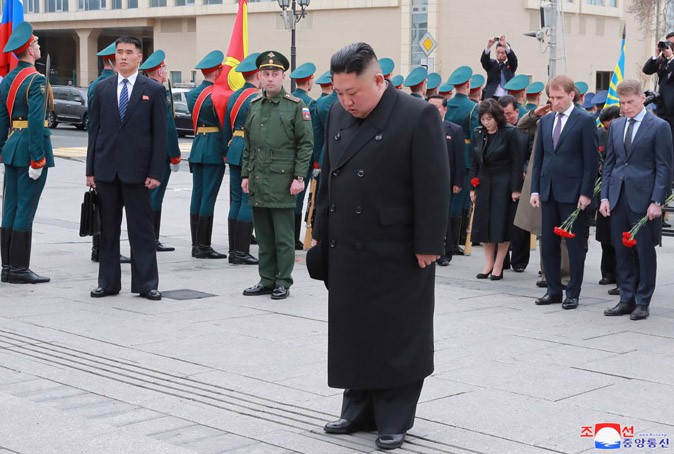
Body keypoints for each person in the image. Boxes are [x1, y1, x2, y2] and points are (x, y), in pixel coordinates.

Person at [311, 42, 449, 452]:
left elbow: (434, 184)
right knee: (353, 331)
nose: (346, 101)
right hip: (348, 246)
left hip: (397, 247)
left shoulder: (416, 114)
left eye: (353, 92)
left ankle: (394, 415)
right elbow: (328, 178)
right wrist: (320, 233)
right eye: (339, 92)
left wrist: (429, 242)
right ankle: (357, 407)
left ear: (378, 79)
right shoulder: (336, 112)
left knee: (397, 333)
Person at [86, 36, 166, 301]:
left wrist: (156, 172)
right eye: (119, 52)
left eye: (128, 52)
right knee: (108, 230)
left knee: (141, 231)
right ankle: (108, 283)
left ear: (139, 57)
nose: (122, 57)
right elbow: (94, 132)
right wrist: (90, 170)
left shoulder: (152, 90)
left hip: (139, 173)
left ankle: (146, 284)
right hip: (106, 171)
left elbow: (159, 135)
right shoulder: (102, 88)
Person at [241, 50, 313, 300]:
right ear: (259, 77)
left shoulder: (296, 106)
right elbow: (249, 143)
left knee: (283, 236)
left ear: (284, 77)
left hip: (283, 180)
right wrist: (245, 174)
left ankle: (283, 280)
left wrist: (299, 177)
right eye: (266, 74)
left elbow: (305, 144)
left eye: (275, 74)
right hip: (259, 178)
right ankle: (266, 279)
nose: (270, 78)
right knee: (263, 234)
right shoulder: (254, 106)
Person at [600, 80, 673, 320]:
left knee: (643, 251)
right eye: (622, 103)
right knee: (620, 250)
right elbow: (609, 164)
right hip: (618, 196)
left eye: (630, 102)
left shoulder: (659, 126)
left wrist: (656, 201)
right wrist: (605, 197)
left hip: (644, 199)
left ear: (642, 98)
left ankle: (643, 301)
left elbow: (664, 167)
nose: (625, 107)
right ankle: (626, 299)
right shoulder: (617, 126)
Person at [530, 75, 598, 310]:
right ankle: (553, 289)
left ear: (571, 95)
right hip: (548, 190)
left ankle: (573, 292)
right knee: (548, 243)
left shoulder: (585, 120)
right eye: (551, 98)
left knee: (575, 245)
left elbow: (591, 161)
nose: (555, 102)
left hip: (573, 193)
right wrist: (535, 189)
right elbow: (539, 158)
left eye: (559, 97)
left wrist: (586, 193)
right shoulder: (546, 121)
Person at [0, 22, 54, 284]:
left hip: (12, 147)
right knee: (25, 208)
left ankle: (8, 267)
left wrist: (2, 149)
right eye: (36, 43)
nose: (39, 46)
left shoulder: (8, 79)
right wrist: (38, 157)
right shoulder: (36, 79)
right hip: (29, 149)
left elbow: (2, 119)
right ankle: (20, 269)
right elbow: (35, 121)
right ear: (29, 50)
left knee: (9, 207)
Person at [87, 42, 131, 264]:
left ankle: (98, 248)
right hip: (111, 156)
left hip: (102, 155)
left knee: (104, 209)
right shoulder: (105, 85)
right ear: (113, 61)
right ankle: (100, 249)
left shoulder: (96, 84)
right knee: (110, 211)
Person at [469, 99, 523, 280]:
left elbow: (517, 162)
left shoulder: (510, 132)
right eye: (483, 119)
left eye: (489, 119)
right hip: (484, 183)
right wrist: (473, 186)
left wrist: (516, 188)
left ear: (497, 117)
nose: (486, 123)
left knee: (502, 223)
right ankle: (488, 263)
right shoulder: (478, 133)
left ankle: (499, 264)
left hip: (504, 183)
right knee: (484, 224)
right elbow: (474, 162)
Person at [187, 50, 228, 259]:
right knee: (208, 198)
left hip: (198, 145)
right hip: (213, 148)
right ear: (219, 70)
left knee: (197, 195)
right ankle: (203, 246)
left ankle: (196, 244)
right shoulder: (218, 95)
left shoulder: (192, 94)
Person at [139, 50, 182, 253]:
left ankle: (148, 238)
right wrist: (175, 155)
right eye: (164, 68)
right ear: (158, 71)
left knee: (147, 197)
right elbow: (168, 128)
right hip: (160, 153)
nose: (166, 71)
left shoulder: (142, 89)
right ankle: (151, 239)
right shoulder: (159, 92)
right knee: (155, 198)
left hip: (144, 151)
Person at [224, 52, 260, 265]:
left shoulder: (234, 96)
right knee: (247, 199)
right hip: (248, 147)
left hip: (234, 146)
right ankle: (241, 251)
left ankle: (234, 251)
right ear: (257, 74)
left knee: (236, 199)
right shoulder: (256, 97)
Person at [427, 95, 465, 266]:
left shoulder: (454, 130)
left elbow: (459, 158)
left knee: (444, 216)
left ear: (444, 109)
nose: (434, 110)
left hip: (446, 180)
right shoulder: (420, 127)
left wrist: (458, 182)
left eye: (437, 107)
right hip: (425, 180)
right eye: (430, 107)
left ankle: (445, 252)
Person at [445, 66, 479, 255]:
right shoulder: (473, 107)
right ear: (468, 84)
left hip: (444, 152)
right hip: (464, 156)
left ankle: (449, 240)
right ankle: (453, 242)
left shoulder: (446, 104)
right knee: (459, 202)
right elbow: (475, 138)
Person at [498, 95, 531, 272]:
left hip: (521, 180)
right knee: (501, 220)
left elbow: (531, 153)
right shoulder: (498, 130)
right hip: (501, 180)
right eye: (502, 114)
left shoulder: (526, 130)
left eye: (509, 114)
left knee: (520, 223)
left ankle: (519, 261)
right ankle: (502, 260)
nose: (505, 117)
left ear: (517, 112)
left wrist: (524, 170)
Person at [595, 106, 621, 296]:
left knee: (618, 237)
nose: (608, 130)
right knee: (605, 235)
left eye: (610, 127)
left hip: (619, 189)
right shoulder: (599, 134)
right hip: (602, 189)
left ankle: (622, 277)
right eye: (605, 128)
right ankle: (608, 272)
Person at [290, 62, 316, 250]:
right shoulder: (308, 104)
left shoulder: (289, 100)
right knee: (298, 198)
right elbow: (310, 134)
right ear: (309, 81)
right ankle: (292, 238)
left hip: (287, 156)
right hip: (302, 157)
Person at [643, 34, 674, 138]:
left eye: (672, 44)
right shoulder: (663, 61)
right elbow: (647, 70)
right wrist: (656, 54)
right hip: (663, 108)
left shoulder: (671, 60)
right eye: (667, 43)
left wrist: (671, 57)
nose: (669, 46)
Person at [481, 35, 518, 99]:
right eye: (498, 52)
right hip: (492, 97)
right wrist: (488, 46)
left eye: (503, 53)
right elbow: (484, 60)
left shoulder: (510, 65)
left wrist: (505, 46)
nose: (500, 55)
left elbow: (513, 59)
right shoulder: (492, 64)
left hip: (507, 97)